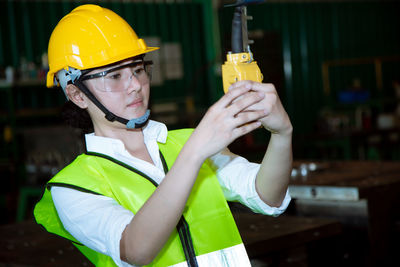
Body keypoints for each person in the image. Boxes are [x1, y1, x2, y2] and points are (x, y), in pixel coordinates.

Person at [34, 4, 292, 267]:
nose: (135, 85)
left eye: (137, 69)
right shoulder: (73, 187)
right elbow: (136, 250)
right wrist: (193, 154)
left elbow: (267, 196)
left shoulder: (187, 142)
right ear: (77, 95)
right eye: (114, 76)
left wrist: (282, 135)